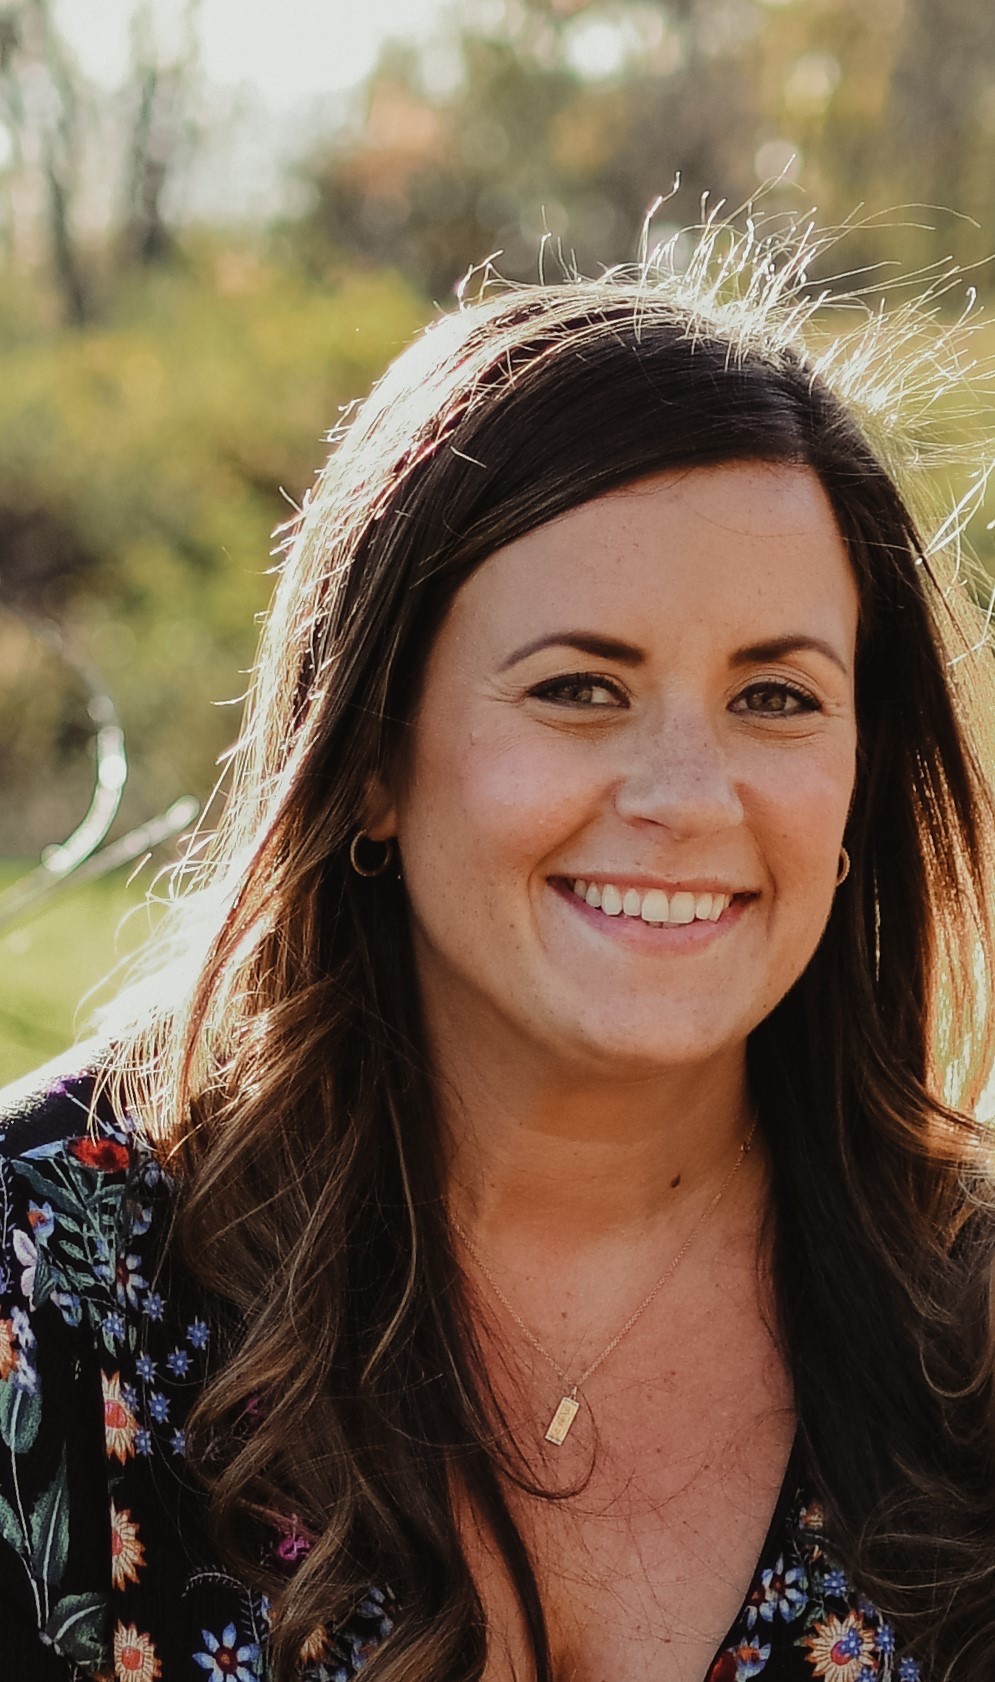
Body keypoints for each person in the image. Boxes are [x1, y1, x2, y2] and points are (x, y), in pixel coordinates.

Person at [2, 221, 995, 1682]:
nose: (687, 795)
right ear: (376, 758)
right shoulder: (47, 1277)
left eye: (776, 697)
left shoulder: (971, 1329)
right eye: (581, 686)